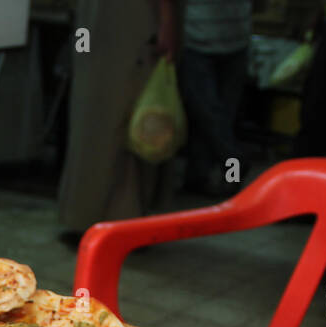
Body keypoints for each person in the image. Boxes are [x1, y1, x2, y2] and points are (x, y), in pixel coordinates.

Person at [57, 0, 175, 241]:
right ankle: (88, 218)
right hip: (96, 25)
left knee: (127, 122)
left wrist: (167, 23)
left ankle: (123, 220)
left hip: (131, 28)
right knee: (93, 119)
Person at [176, 0, 252, 197]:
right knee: (209, 114)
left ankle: (199, 177)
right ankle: (231, 162)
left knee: (218, 118)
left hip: (236, 40)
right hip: (199, 40)